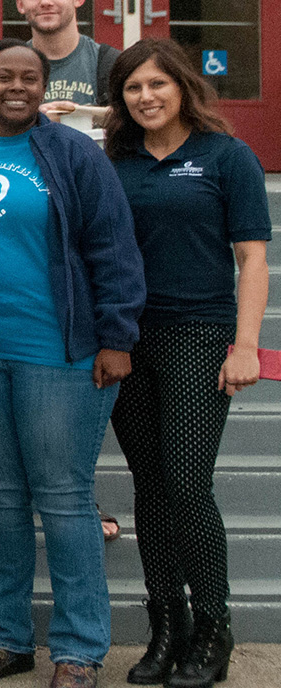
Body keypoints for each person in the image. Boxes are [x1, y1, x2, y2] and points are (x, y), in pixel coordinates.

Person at [0, 40, 144, 688]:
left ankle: (78, 650)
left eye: (29, 78)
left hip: (62, 354)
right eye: (3, 77)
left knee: (64, 497)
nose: (15, 87)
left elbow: (114, 249)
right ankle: (4, 639)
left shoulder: (75, 154)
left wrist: (117, 338)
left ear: (45, 85)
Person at [105, 39, 269, 688]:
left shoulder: (228, 158)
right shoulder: (114, 163)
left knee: (187, 486)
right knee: (150, 489)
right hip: (127, 339)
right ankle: (165, 626)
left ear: (182, 87)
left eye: (156, 85)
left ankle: (212, 628)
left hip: (199, 338)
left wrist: (247, 345)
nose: (146, 97)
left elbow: (252, 259)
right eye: (132, 88)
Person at [17, 0, 118, 128]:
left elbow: (132, 119)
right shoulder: (8, 66)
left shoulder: (109, 62)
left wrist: (75, 115)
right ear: (21, 4)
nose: (45, 2)